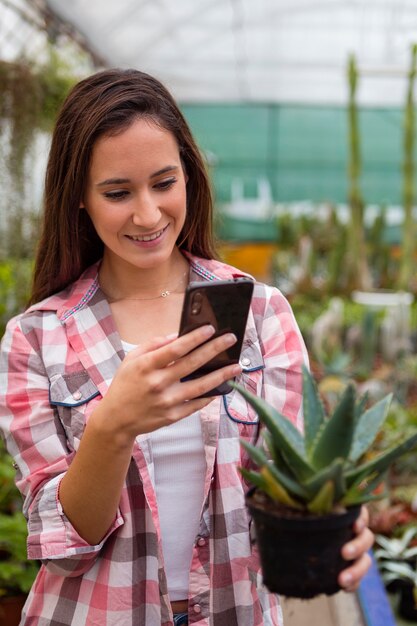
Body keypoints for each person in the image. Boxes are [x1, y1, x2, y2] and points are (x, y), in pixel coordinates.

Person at [0, 68, 373, 626]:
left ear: (189, 178)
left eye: (164, 182)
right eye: (118, 192)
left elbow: (292, 477)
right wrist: (112, 426)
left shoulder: (259, 313)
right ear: (78, 197)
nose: (148, 215)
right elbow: (67, 551)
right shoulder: (37, 337)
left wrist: (337, 526)